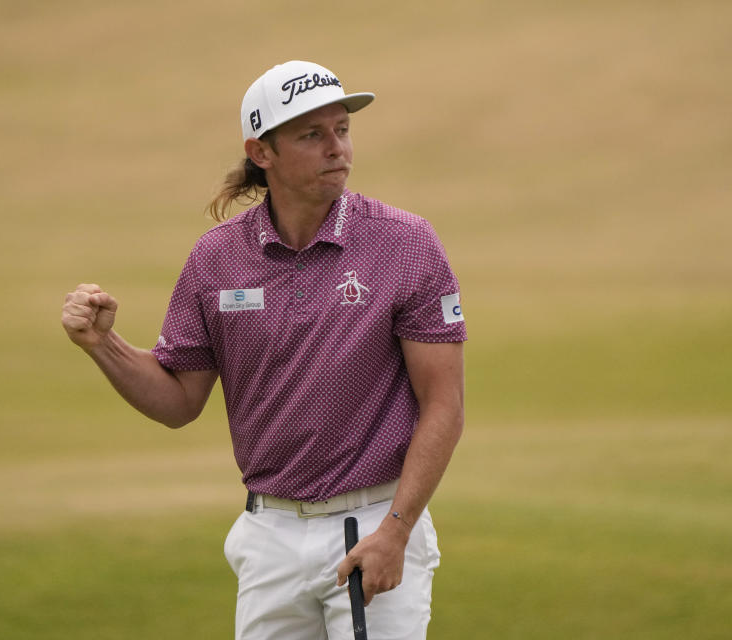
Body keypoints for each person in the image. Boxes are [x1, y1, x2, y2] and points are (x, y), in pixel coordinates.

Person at [61, 60, 467, 639]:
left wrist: (397, 532)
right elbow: (179, 401)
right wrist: (104, 347)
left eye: (342, 130)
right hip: (268, 534)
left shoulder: (405, 243)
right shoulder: (216, 258)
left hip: (375, 521)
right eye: (312, 134)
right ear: (261, 152)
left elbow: (444, 407)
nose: (337, 148)